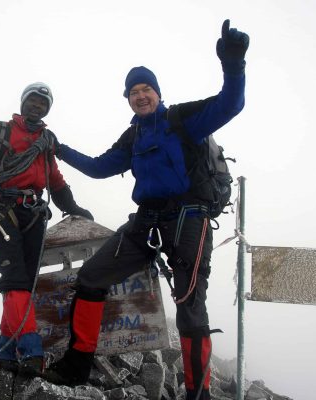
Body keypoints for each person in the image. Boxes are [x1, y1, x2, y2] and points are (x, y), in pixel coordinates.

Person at [43, 20, 249, 400]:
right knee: (91, 277)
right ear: (128, 99)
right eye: (133, 92)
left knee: (189, 304)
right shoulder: (133, 135)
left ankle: (197, 393)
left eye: (146, 89)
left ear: (157, 93)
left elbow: (230, 104)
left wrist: (234, 65)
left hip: (189, 218)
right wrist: (59, 148)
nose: (140, 96)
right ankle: (77, 365)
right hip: (148, 220)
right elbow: (99, 167)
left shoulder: (185, 120)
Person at [0, 82, 93, 377]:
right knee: (16, 279)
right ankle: (32, 349)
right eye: (32, 100)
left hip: (33, 215)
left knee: (22, 284)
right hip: (0, 212)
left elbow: (55, 180)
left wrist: (72, 207)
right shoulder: (0, 132)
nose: (37, 106)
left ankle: (6, 351)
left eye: (43, 103)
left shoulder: (46, 142)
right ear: (23, 103)